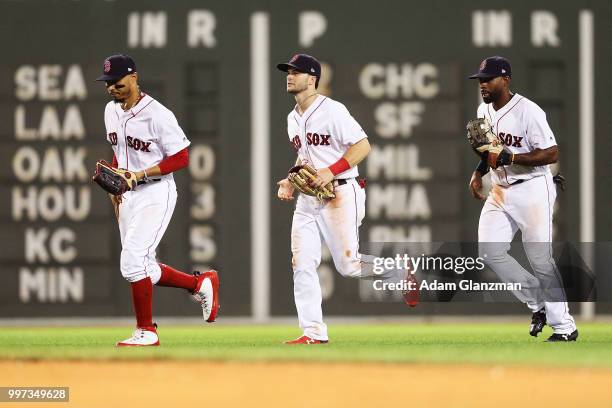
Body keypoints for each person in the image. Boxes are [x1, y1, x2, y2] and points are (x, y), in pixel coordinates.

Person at [95, 54, 219, 346]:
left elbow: (182, 157)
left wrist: (138, 175)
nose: (112, 87)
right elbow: (119, 149)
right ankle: (199, 283)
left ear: (134, 77)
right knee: (144, 266)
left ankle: (146, 331)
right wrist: (116, 186)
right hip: (127, 195)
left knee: (132, 261)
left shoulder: (158, 114)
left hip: (155, 191)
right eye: (108, 83)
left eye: (118, 82)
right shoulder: (110, 111)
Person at [276, 54, 386, 344]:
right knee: (301, 263)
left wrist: (331, 170)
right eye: (288, 71)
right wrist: (290, 179)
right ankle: (313, 332)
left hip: (341, 190)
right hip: (308, 198)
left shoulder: (333, 110)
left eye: (296, 72)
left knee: (348, 267)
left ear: (311, 79)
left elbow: (363, 146)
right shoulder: (292, 118)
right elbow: (305, 157)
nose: (289, 75)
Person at [468, 56, 578, 342]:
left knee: (540, 259)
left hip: (532, 188)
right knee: (490, 252)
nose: (483, 85)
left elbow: (552, 153)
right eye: (480, 80)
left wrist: (513, 156)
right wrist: (479, 171)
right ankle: (537, 302)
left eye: (488, 79)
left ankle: (565, 327)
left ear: (505, 79)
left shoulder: (529, 112)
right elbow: (491, 149)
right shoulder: (484, 109)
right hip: (500, 188)